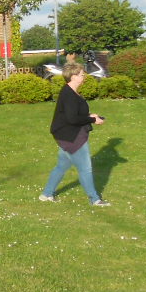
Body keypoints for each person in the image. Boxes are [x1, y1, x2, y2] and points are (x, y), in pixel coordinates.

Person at [39, 62, 110, 206]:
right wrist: (92, 120)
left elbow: (74, 114)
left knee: (61, 166)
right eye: (81, 75)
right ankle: (95, 199)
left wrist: (90, 115)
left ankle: (46, 194)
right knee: (85, 168)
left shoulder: (71, 92)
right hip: (72, 136)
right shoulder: (69, 94)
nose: (84, 77)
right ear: (73, 77)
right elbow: (72, 119)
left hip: (67, 134)